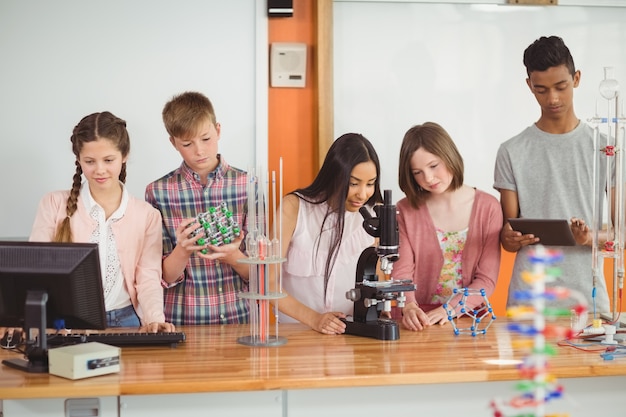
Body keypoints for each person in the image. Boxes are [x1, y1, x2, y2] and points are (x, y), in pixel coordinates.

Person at [493, 35, 611, 313]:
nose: (553, 98)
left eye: (561, 86)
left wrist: (589, 238)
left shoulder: (606, 148)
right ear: (529, 86)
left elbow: (622, 232)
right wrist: (508, 238)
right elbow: (509, 233)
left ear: (577, 78)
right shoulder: (511, 150)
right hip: (529, 300)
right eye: (541, 89)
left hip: (588, 300)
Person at [30, 111, 174, 332]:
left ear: (124, 155)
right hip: (67, 322)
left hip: (126, 321)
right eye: (89, 161)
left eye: (108, 160)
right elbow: (36, 269)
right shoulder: (53, 204)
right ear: (78, 159)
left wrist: (154, 318)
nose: (99, 170)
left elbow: (148, 276)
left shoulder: (147, 215)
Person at [145, 91, 249, 326]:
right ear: (173, 142)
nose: (199, 151)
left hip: (239, 320)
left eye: (205, 138)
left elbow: (261, 275)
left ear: (218, 130)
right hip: (181, 321)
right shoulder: (158, 192)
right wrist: (182, 249)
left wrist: (233, 255)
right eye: (187, 144)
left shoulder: (248, 185)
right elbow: (161, 276)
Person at [392, 122, 502, 331]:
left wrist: (449, 309)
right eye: (417, 172)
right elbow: (401, 272)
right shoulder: (405, 209)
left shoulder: (488, 207)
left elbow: (486, 279)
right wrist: (409, 307)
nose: (428, 178)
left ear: (449, 155)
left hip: (470, 319)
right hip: (416, 321)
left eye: (433, 166)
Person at [275, 133, 383, 334]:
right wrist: (315, 320)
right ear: (335, 175)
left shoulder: (373, 212)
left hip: (349, 335)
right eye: (353, 183)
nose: (363, 194)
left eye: (370, 184)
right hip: (294, 335)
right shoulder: (294, 208)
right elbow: (268, 282)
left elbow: (378, 279)